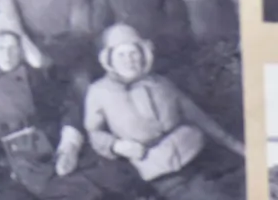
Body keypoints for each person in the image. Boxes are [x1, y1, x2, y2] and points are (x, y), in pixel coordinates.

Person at [0, 15, 133, 200]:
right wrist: (3, 163)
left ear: (21, 50)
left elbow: (68, 108)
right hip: (18, 163)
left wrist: (68, 146)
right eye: (0, 48)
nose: (6, 55)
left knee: (111, 181)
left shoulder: (38, 77)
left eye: (12, 48)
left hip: (53, 148)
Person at [82, 24, 244, 200]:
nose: (129, 60)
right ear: (109, 59)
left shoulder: (161, 84)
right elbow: (94, 133)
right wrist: (115, 146)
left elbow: (199, 118)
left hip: (196, 152)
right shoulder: (99, 92)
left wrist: (238, 147)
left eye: (133, 53)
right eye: (121, 54)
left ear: (144, 55)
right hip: (159, 170)